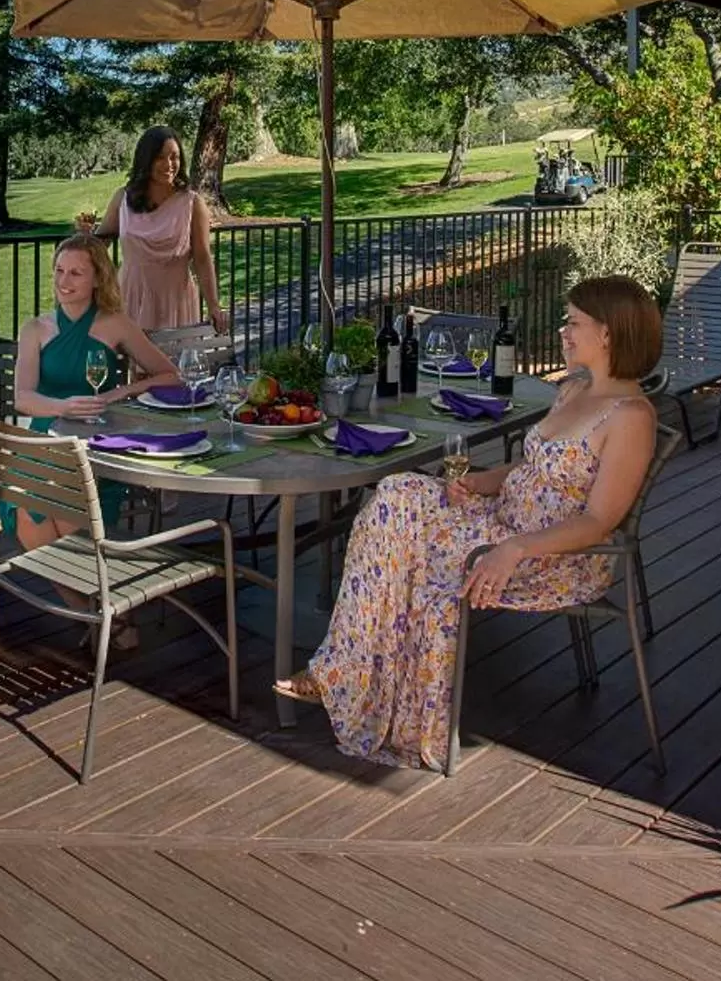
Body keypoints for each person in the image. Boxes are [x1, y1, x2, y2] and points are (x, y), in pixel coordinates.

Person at [272, 276, 662, 771]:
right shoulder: (574, 391)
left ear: (607, 333)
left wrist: (516, 548)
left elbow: (599, 520)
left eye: (573, 322)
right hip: (501, 521)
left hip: (555, 557)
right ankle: (347, 669)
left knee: (422, 556)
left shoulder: (630, 417)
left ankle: (364, 688)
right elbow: (533, 471)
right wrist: (481, 482)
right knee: (397, 493)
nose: (564, 331)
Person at [5, 234, 185, 649]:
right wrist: (63, 407)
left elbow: (170, 374)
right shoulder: (36, 328)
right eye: (59, 271)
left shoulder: (115, 324)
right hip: (44, 441)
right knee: (32, 518)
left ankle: (98, 614)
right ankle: (102, 613)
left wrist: (117, 392)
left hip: (99, 444)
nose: (64, 281)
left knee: (69, 519)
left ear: (96, 279)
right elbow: (23, 398)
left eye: (76, 273)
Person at [75, 126, 229, 335]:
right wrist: (85, 236)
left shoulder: (192, 203)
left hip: (176, 298)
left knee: (174, 364)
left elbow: (202, 258)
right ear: (146, 160)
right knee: (133, 363)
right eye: (160, 158)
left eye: (174, 157)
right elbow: (100, 245)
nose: (169, 165)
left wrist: (213, 306)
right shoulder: (123, 198)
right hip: (131, 295)